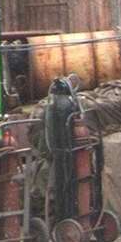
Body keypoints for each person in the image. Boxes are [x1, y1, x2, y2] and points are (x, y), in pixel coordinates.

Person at [41, 77, 80, 222]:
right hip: (64, 151)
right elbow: (49, 130)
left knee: (64, 185)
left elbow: (48, 132)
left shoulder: (53, 105)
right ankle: (64, 217)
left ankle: (63, 217)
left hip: (61, 151)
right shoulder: (66, 104)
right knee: (64, 185)